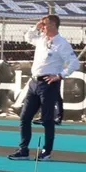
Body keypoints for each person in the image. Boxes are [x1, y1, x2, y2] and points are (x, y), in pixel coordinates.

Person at [8, 14, 77, 160]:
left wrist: (60, 75)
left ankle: (47, 151)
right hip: (34, 82)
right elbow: (28, 37)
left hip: (48, 84)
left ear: (53, 25)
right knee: (25, 117)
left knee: (47, 119)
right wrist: (36, 27)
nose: (42, 26)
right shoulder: (41, 39)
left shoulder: (62, 43)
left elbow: (74, 63)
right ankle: (23, 149)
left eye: (44, 24)